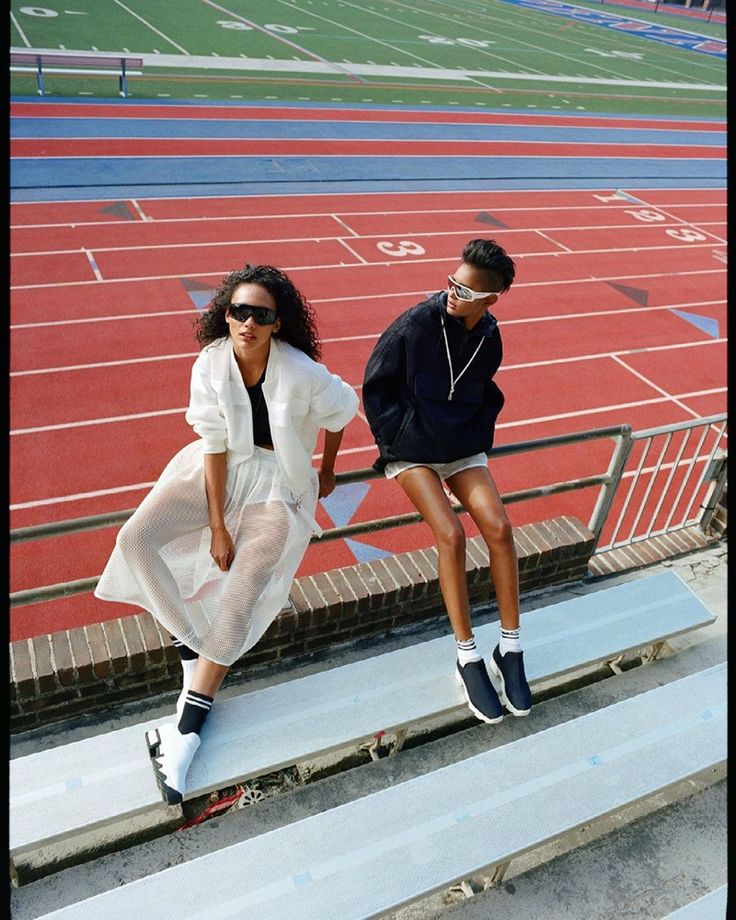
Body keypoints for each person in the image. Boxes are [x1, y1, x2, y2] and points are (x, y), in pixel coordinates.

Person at [95, 264, 359, 805]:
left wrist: (327, 469)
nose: (247, 322)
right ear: (225, 314)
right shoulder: (211, 363)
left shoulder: (303, 371)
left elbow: (342, 412)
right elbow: (213, 445)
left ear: (276, 323)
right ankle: (194, 648)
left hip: (279, 487)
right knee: (137, 538)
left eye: (260, 314)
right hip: (219, 470)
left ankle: (187, 733)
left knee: (241, 594)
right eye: (238, 311)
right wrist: (217, 525)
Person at [362, 239, 531, 725]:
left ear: (491, 298)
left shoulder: (490, 336)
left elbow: (483, 390)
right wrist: (397, 436)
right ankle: (467, 654)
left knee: (499, 528)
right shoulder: (418, 322)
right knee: (451, 533)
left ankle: (512, 650)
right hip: (413, 449)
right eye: (453, 282)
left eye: (467, 290)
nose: (453, 292)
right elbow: (375, 383)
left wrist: (473, 432)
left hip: (459, 447)